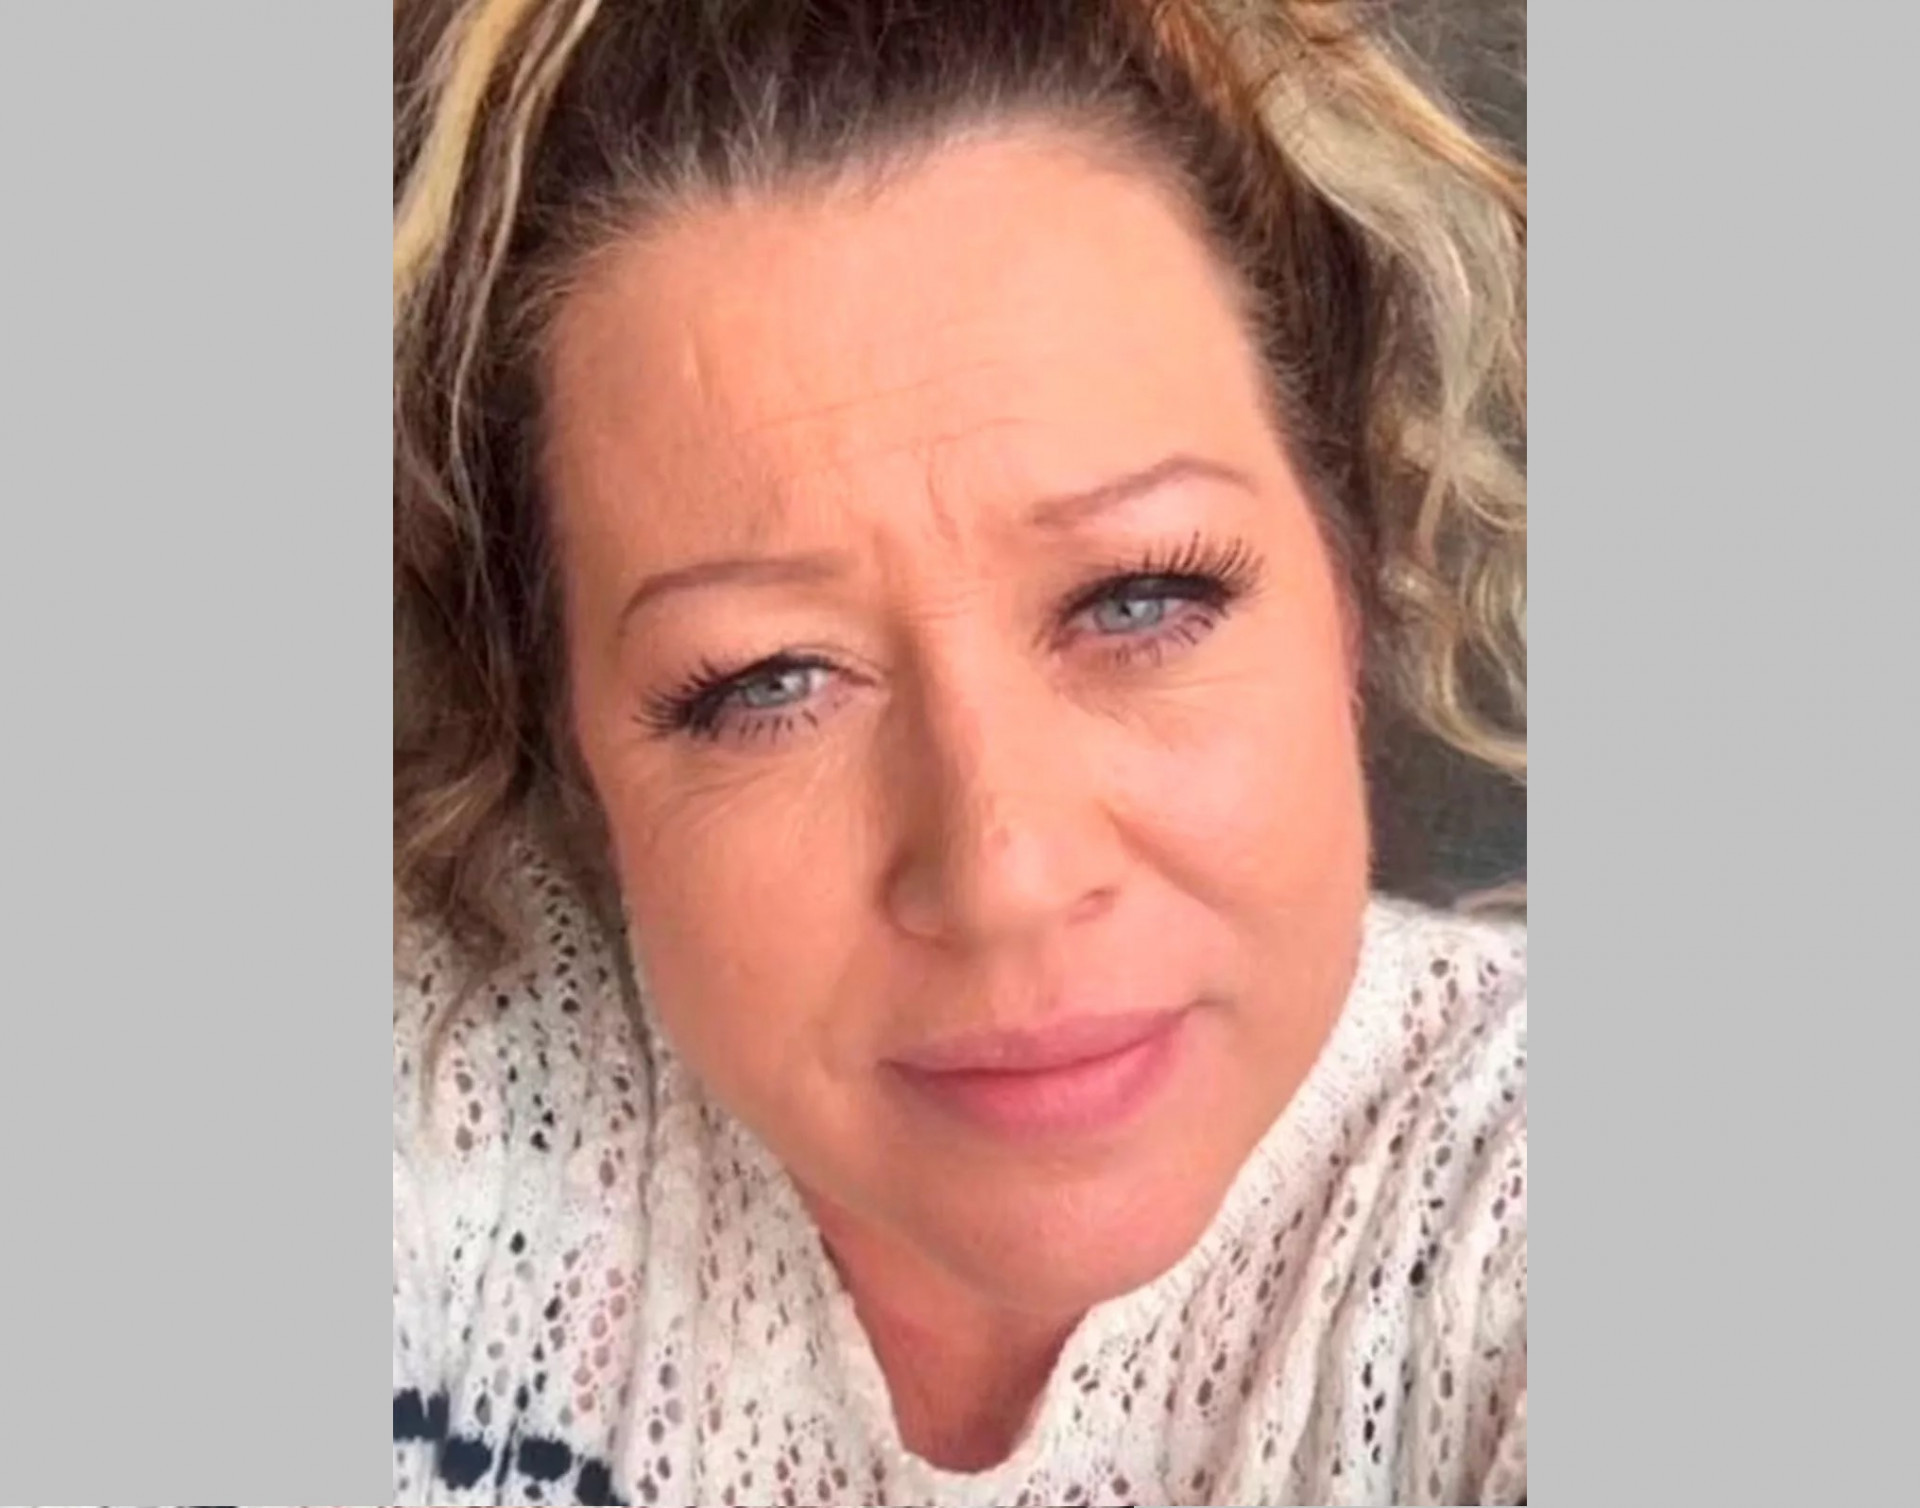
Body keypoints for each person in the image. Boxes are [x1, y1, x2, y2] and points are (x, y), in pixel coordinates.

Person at [392, 0, 1527, 1503]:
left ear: (1349, 598)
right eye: (768, 680)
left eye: (1139, 599)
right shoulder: (436, 1085)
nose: (1004, 873)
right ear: (577, 745)